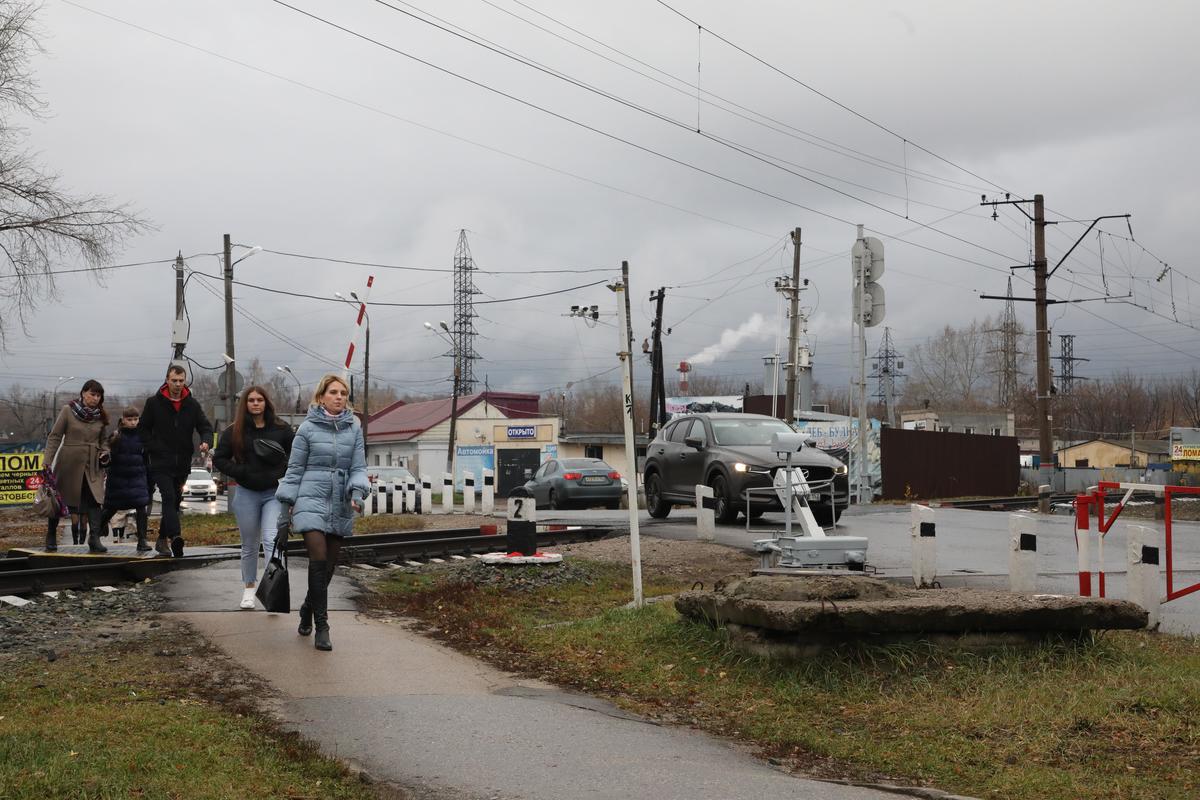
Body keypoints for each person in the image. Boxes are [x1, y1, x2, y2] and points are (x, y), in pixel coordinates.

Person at [275, 374, 369, 651]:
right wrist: (285, 510)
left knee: (328, 568)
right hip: (309, 498)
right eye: (334, 392)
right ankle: (322, 627)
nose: (339, 397)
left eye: (343, 393)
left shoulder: (354, 429)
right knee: (318, 557)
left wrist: (356, 494)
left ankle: (307, 608)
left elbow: (359, 468)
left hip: (339, 502)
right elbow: (293, 471)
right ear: (321, 397)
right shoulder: (306, 429)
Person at [212, 386, 294, 610]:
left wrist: (284, 474)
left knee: (270, 540)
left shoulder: (281, 429)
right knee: (249, 544)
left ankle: (272, 592)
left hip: (274, 494)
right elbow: (219, 459)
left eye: (260, 400)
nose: (256, 403)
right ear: (245, 404)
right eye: (251, 400)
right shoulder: (234, 431)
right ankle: (249, 588)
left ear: (266, 402)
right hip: (246, 492)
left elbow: (296, 455)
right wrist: (241, 472)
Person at [138, 364, 213, 557]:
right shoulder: (154, 403)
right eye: (174, 380)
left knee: (176, 500)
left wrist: (205, 441)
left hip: (182, 462)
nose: (178, 384)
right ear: (167, 380)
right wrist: (152, 446)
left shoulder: (192, 404)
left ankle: (162, 540)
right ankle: (176, 537)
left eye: (181, 381)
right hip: (160, 461)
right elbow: (143, 429)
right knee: (168, 497)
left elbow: (205, 426)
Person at [44, 379, 111, 553]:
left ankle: (94, 538)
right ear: (83, 393)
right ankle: (51, 534)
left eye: (99, 395)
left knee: (95, 502)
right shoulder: (68, 411)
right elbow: (55, 436)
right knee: (58, 501)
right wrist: (47, 462)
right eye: (92, 394)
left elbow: (104, 441)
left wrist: (105, 452)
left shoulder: (101, 416)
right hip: (69, 463)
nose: (95, 398)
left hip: (92, 465)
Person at [99, 406, 152, 553]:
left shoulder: (143, 436)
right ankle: (95, 535)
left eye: (135, 419)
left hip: (137, 479)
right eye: (130, 419)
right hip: (118, 479)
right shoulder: (116, 436)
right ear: (123, 420)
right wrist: (105, 459)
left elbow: (147, 459)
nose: (133, 422)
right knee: (110, 508)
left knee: (142, 508)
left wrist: (149, 480)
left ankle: (142, 540)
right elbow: (107, 456)